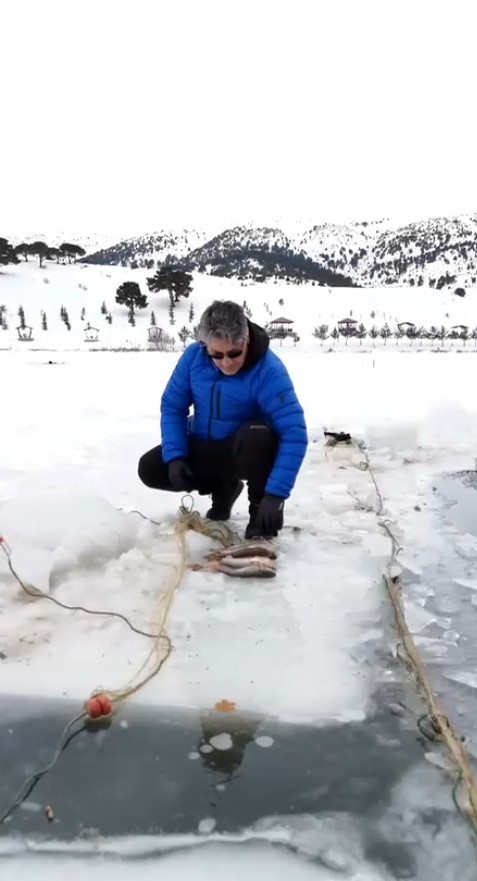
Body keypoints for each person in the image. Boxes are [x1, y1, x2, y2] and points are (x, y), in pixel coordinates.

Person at [138, 300, 308, 539]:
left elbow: (295, 432)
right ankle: (223, 489)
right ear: (204, 345)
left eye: (234, 353)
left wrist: (276, 495)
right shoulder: (193, 359)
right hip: (204, 445)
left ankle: (258, 509)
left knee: (258, 436)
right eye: (217, 354)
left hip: (244, 453)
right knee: (151, 468)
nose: (226, 362)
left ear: (246, 338)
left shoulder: (268, 369)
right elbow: (172, 406)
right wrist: (175, 456)